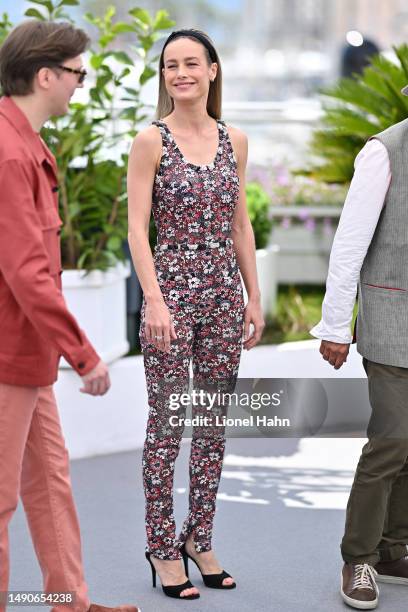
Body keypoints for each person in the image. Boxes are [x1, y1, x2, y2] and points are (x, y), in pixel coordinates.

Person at [0, 20, 140, 612]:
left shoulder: (26, 144)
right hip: (9, 356)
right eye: (78, 74)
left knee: (49, 484)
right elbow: (27, 272)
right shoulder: (9, 154)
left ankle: (70, 604)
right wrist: (84, 354)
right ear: (46, 75)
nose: (81, 85)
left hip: (26, 356)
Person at [127, 28, 264, 600]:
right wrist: (154, 300)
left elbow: (240, 224)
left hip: (223, 300)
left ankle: (198, 538)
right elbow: (137, 228)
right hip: (171, 297)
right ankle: (162, 548)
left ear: (212, 70)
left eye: (190, 63)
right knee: (167, 426)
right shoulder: (150, 140)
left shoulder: (236, 139)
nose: (179, 73)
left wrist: (253, 297)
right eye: (169, 66)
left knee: (211, 428)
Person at [311, 82, 408, 610]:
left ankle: (394, 550)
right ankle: (359, 559)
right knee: (392, 440)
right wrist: (334, 325)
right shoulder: (383, 151)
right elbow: (349, 244)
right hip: (393, 320)